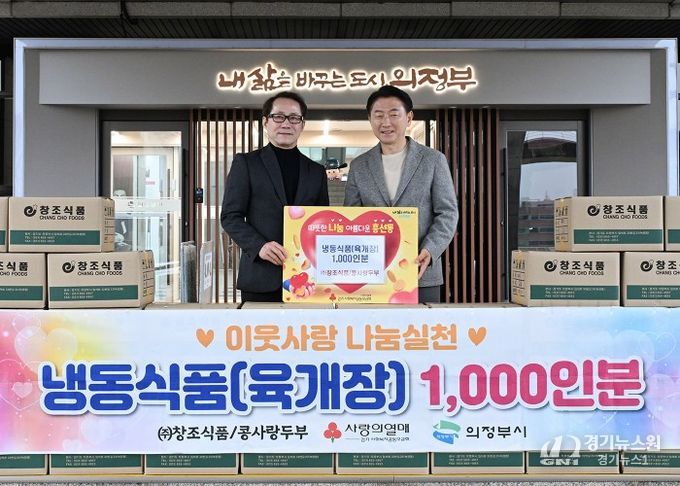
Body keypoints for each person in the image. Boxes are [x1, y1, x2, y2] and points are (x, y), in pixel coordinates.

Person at [344, 85, 458, 303]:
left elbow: (448, 212)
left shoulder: (433, 160)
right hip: (373, 274)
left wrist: (430, 250)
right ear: (370, 119)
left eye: (394, 114)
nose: (386, 122)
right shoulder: (359, 166)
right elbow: (352, 217)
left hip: (420, 272)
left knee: (422, 325)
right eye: (378, 115)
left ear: (409, 118)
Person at [221, 92, 329, 302]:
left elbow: (321, 221)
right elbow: (230, 216)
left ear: (302, 124)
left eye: (294, 118)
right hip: (260, 277)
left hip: (306, 278)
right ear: (265, 122)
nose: (286, 123)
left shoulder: (316, 171)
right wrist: (259, 246)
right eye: (278, 117)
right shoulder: (246, 163)